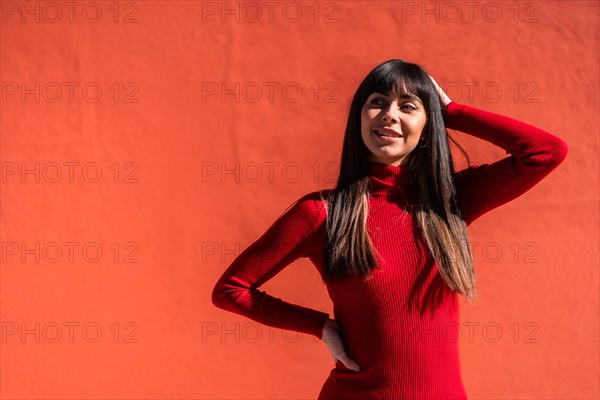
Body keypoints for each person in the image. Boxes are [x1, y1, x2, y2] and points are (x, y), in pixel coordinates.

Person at [211, 59, 568, 399]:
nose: (389, 115)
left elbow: (545, 152)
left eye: (408, 106)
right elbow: (231, 289)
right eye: (377, 102)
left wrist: (450, 111)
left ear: (428, 125)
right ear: (359, 118)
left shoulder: (452, 200)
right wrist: (321, 327)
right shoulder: (321, 213)